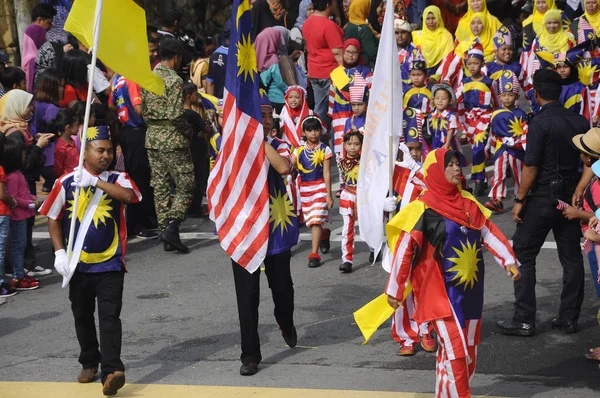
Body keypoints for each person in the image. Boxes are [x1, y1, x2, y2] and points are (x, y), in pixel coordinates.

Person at [386, 148, 520, 397]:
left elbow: (488, 232)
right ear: (436, 170)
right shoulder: (423, 208)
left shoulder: (469, 203)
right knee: (457, 351)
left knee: (466, 352)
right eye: (450, 165)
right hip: (440, 295)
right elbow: (404, 250)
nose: (457, 169)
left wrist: (509, 261)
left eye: (458, 164)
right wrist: (394, 289)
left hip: (470, 292)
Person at [40, 125, 141, 396]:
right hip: (78, 265)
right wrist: (59, 252)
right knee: (82, 315)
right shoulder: (65, 182)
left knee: (110, 317)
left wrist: (96, 182)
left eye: (110, 150)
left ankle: (111, 371)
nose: (106, 155)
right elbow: (52, 216)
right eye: (100, 150)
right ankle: (89, 360)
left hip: (110, 263)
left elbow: (130, 197)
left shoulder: (119, 178)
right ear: (85, 152)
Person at [497, 69, 590, 336]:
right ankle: (568, 318)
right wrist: (580, 190)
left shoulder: (539, 123)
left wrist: (518, 200)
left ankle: (524, 319)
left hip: (542, 199)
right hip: (569, 198)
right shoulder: (579, 121)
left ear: (536, 93)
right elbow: (590, 162)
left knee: (524, 254)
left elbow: (531, 167)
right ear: (559, 92)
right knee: (571, 258)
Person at [228, 93, 299, 376]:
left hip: (274, 229)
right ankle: (250, 355)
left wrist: (258, 138)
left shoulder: (279, 144)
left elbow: (283, 167)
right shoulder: (233, 145)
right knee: (247, 297)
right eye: (259, 114)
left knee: (282, 290)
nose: (265, 119)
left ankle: (285, 320)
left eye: (268, 115)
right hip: (244, 231)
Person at [142, 39, 194, 254]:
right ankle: (172, 226)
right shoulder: (173, 80)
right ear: (176, 57)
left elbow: (144, 111)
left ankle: (166, 233)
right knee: (186, 184)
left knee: (161, 187)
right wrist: (188, 131)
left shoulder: (149, 76)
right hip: (173, 139)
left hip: (152, 138)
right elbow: (176, 114)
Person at [1, 89, 54, 277]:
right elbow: (24, 162)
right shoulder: (15, 133)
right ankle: (24, 265)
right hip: (21, 185)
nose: (31, 107)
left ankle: (21, 265)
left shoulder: (21, 128)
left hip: (24, 183)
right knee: (22, 227)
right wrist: (38, 148)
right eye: (28, 104)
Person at [110, 71, 158, 239]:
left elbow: (111, 104)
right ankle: (140, 224)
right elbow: (138, 109)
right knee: (141, 179)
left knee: (136, 177)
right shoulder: (133, 78)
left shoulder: (116, 79)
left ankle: (140, 222)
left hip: (126, 132)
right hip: (137, 132)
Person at [456, 42, 496, 196]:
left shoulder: (488, 82)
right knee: (475, 151)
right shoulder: (464, 83)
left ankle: (478, 181)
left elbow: (496, 101)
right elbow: (456, 99)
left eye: (476, 63)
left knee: (479, 148)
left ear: (482, 64)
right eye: (469, 64)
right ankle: (483, 179)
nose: (472, 67)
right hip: (469, 121)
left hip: (485, 120)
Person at [293, 116, 334, 268]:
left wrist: (328, 195)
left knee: (316, 220)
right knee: (312, 221)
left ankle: (314, 253)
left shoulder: (325, 150)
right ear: (304, 132)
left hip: (320, 188)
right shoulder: (298, 151)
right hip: (304, 189)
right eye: (309, 130)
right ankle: (324, 234)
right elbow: (292, 167)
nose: (313, 133)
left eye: (316, 129)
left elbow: (327, 173)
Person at [485, 71, 528, 213]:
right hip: (500, 147)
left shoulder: (521, 113)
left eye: (510, 95)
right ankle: (497, 200)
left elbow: (525, 132)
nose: (507, 98)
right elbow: (491, 132)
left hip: (516, 148)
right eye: (504, 95)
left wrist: (524, 147)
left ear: (517, 96)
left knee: (518, 174)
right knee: (499, 173)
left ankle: (520, 197)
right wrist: (488, 148)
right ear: (499, 97)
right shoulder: (495, 114)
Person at [329, 38, 372, 180]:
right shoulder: (336, 73)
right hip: (340, 115)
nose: (350, 55)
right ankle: (344, 180)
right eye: (348, 52)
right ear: (343, 52)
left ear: (359, 54)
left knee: (359, 147)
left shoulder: (366, 72)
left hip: (360, 115)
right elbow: (332, 96)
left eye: (354, 52)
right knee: (342, 148)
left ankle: (361, 179)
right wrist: (331, 115)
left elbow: (371, 94)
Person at [5, 140, 40, 291]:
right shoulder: (13, 176)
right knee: (18, 246)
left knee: (21, 245)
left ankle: (19, 273)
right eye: (23, 154)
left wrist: (31, 198)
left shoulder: (18, 174)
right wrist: (29, 203)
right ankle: (18, 276)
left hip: (23, 215)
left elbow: (22, 192)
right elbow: (13, 196)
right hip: (17, 216)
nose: (25, 156)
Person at [303, 0, 344, 123]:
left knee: (320, 109)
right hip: (332, 72)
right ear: (327, 6)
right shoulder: (328, 25)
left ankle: (314, 136)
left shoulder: (307, 22)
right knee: (338, 108)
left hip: (314, 70)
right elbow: (338, 52)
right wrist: (346, 73)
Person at [487, 26, 538, 113]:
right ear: (495, 52)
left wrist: (534, 106)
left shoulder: (517, 67)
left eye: (510, 49)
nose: (507, 52)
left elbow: (528, 87)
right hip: (493, 111)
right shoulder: (488, 68)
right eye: (504, 49)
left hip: (513, 111)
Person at [32, 69, 63, 192]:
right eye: (60, 86)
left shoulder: (38, 105)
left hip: (44, 159)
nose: (63, 89)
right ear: (52, 88)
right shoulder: (51, 109)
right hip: (53, 160)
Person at [182, 82, 210, 218]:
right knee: (199, 179)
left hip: (186, 151)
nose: (196, 96)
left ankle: (188, 207)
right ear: (188, 96)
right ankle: (195, 209)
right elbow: (207, 129)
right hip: (197, 151)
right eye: (194, 94)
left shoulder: (178, 114)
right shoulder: (192, 115)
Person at [338, 130, 362, 273]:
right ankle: (347, 259)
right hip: (348, 195)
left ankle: (373, 248)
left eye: (357, 144)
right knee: (347, 229)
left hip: (363, 196)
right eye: (349, 144)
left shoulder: (366, 161)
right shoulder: (341, 161)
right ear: (344, 145)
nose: (353, 147)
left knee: (368, 226)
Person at [427, 84, 464, 165]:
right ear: (433, 100)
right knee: (437, 163)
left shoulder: (450, 116)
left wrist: (447, 143)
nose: (440, 101)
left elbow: (451, 129)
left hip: (448, 143)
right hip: (435, 143)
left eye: (443, 98)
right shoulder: (431, 116)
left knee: (449, 162)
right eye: (437, 98)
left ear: (450, 101)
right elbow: (430, 132)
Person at [411, 6, 455, 74]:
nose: (431, 22)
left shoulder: (446, 36)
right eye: (428, 19)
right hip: (419, 72)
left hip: (439, 72)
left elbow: (448, 59)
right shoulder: (417, 36)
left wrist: (437, 76)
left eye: (434, 18)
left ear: (439, 18)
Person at [22, 4, 55, 93]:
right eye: (49, 22)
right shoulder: (36, 29)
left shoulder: (29, 61)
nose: (51, 26)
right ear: (40, 20)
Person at [256, 28, 288, 113]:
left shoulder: (257, 58)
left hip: (265, 98)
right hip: (278, 99)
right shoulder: (273, 59)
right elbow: (279, 82)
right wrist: (290, 90)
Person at [344, 0, 380, 69]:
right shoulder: (363, 28)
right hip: (365, 66)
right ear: (363, 8)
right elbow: (372, 52)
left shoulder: (349, 24)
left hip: (352, 64)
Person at [51, 109, 80, 177]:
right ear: (68, 128)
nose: (78, 127)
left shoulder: (73, 141)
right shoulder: (61, 148)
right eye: (77, 125)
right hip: (68, 180)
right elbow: (58, 170)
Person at [206, 20, 230, 99]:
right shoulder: (237, 56)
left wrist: (212, 106)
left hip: (218, 103)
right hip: (233, 105)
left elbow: (209, 83)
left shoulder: (214, 54)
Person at [394, 19, 420, 91]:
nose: (400, 35)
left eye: (403, 32)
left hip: (409, 92)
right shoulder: (387, 52)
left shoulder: (415, 52)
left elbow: (419, 78)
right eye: (396, 33)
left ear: (408, 34)